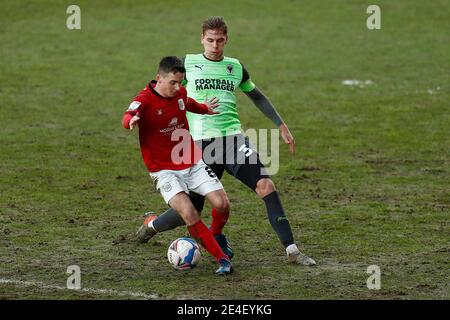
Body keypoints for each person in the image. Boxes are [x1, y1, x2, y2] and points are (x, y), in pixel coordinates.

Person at [137, 17, 316, 266]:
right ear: (202, 39)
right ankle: (152, 225)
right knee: (190, 211)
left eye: (220, 40)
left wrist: (280, 124)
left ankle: (292, 250)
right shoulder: (187, 64)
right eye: (210, 40)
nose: (215, 45)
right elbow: (162, 90)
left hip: (233, 140)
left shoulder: (235, 67)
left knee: (266, 185)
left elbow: (256, 95)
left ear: (226, 40)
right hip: (198, 146)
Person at [123, 55, 233, 275]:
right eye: (172, 82)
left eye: (180, 82)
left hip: (192, 161)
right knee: (190, 213)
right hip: (164, 171)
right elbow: (128, 115)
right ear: (159, 79)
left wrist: (204, 108)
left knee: (222, 204)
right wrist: (131, 121)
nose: (177, 87)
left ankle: (212, 235)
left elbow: (187, 103)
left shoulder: (179, 92)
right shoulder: (144, 100)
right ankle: (222, 259)